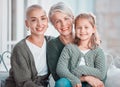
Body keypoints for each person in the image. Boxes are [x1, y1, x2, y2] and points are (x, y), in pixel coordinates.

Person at [5, 4, 53, 87]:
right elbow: (24, 82)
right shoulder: (20, 49)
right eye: (34, 20)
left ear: (47, 21)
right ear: (27, 24)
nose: (39, 24)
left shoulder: (52, 42)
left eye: (43, 18)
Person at [56, 13, 106, 87]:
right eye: (79, 28)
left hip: (91, 84)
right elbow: (60, 69)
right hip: (72, 82)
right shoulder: (69, 48)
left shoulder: (98, 51)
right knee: (62, 83)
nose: (82, 30)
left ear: (93, 29)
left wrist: (81, 70)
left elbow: (101, 74)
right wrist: (78, 79)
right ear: (75, 30)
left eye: (86, 27)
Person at [47, 2, 74, 87]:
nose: (63, 24)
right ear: (54, 25)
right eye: (58, 21)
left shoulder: (84, 38)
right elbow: (57, 75)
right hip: (67, 82)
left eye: (66, 18)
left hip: (89, 79)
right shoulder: (52, 45)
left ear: (73, 19)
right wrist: (83, 78)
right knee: (62, 83)